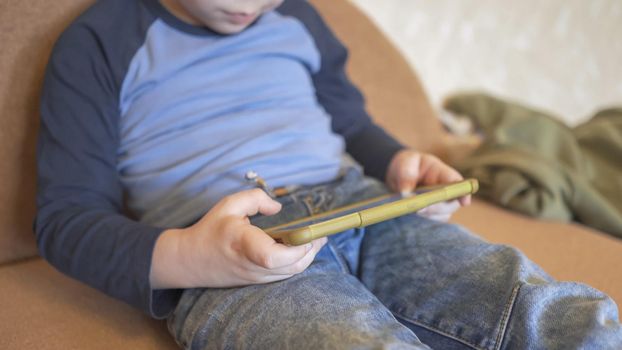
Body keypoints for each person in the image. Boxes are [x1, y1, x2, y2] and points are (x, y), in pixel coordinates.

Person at [35, 0, 622, 348]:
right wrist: (192, 257)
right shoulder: (96, 43)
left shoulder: (297, 18)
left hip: (360, 203)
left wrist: (400, 163)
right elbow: (66, 219)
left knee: (537, 306)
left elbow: (350, 119)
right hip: (228, 255)